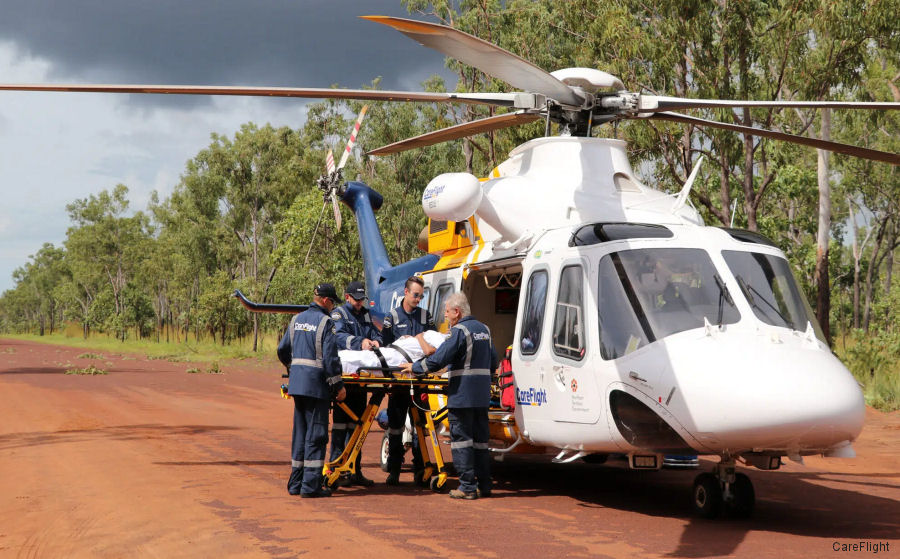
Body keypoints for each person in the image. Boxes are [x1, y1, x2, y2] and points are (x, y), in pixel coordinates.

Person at [403, 292, 498, 500]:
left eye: (447, 312)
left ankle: (466, 487)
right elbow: (494, 362)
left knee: (461, 441)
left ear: (457, 311)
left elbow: (438, 360)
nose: (445, 317)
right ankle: (485, 485)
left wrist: (415, 367)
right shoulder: (485, 330)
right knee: (480, 442)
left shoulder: (459, 331)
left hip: (462, 396)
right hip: (482, 397)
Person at [277, 283, 346, 498]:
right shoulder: (326, 322)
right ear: (325, 300)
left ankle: (295, 484)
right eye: (332, 302)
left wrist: (294, 369)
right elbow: (330, 359)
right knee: (316, 435)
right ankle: (310, 486)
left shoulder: (296, 319)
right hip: (317, 387)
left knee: (300, 433)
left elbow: (282, 350)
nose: (333, 306)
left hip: (297, 386)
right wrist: (339, 386)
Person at [382, 275, 436, 485]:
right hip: (399, 383)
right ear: (406, 292)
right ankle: (394, 470)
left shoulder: (426, 317)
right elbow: (385, 348)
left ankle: (420, 470)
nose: (418, 299)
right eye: (415, 295)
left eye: (421, 296)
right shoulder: (392, 317)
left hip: (420, 381)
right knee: (395, 428)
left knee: (420, 428)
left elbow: (433, 345)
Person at [328, 280, 382, 488]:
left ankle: (354, 470)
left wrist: (376, 341)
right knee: (341, 426)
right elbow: (338, 336)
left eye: (362, 300)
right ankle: (336, 469)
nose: (359, 303)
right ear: (347, 296)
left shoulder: (366, 314)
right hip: (346, 380)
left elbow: (375, 333)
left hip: (362, 379)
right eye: (356, 299)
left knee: (359, 425)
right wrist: (359, 342)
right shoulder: (339, 314)